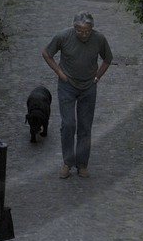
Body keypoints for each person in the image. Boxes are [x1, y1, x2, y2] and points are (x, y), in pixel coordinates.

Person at [41, 12, 112, 178]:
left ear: (92, 29)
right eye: (80, 31)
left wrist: (97, 77)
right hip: (67, 85)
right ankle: (67, 162)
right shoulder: (63, 36)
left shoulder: (99, 39)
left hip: (89, 87)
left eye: (87, 31)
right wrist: (59, 72)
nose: (84, 34)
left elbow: (108, 59)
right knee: (68, 124)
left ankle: (82, 164)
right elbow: (46, 53)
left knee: (85, 127)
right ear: (74, 28)